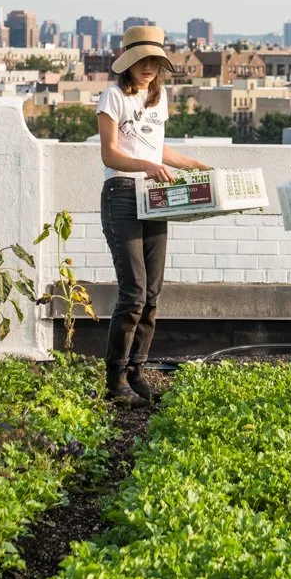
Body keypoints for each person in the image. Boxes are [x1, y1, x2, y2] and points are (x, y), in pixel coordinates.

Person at [96, 25, 210, 406]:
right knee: (133, 292)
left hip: (155, 198)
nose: (148, 67)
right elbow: (110, 154)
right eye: (141, 60)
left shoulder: (158, 100)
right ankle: (115, 380)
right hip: (122, 195)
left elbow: (156, 149)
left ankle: (136, 372)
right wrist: (146, 165)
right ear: (128, 62)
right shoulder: (113, 97)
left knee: (152, 293)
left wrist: (192, 163)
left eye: (154, 62)